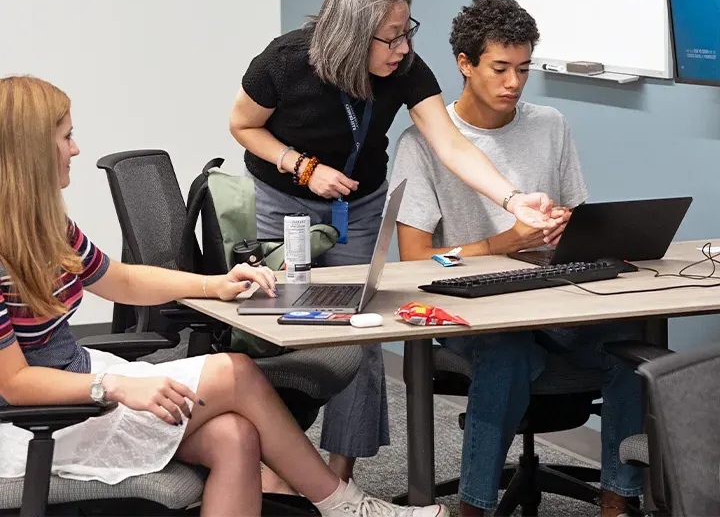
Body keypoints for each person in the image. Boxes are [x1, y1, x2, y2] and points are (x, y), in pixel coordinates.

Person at [0, 75, 448, 517]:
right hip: (39, 420)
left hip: (79, 390)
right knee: (234, 371)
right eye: (66, 136)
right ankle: (343, 506)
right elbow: (16, 384)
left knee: (236, 436)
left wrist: (212, 284)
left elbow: (122, 280)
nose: (75, 148)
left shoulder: (46, 227)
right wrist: (114, 386)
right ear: (30, 150)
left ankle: (342, 506)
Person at [230, 0, 563, 486]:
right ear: (352, 35)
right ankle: (273, 465)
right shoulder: (284, 62)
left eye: (409, 32)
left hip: (360, 205)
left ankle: (338, 475)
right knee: (281, 326)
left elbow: (450, 144)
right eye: (391, 37)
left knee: (361, 329)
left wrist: (514, 199)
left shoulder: (406, 67)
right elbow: (242, 125)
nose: (403, 48)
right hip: (285, 199)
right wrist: (302, 166)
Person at [389, 0, 644, 517]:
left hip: (554, 300)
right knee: (508, 355)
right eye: (500, 68)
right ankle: (475, 507)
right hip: (475, 315)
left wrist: (563, 225)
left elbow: (579, 218)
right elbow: (415, 259)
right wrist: (499, 245)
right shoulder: (423, 143)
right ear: (465, 64)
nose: (514, 83)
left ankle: (618, 500)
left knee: (629, 346)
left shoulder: (550, 124)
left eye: (523, 69)